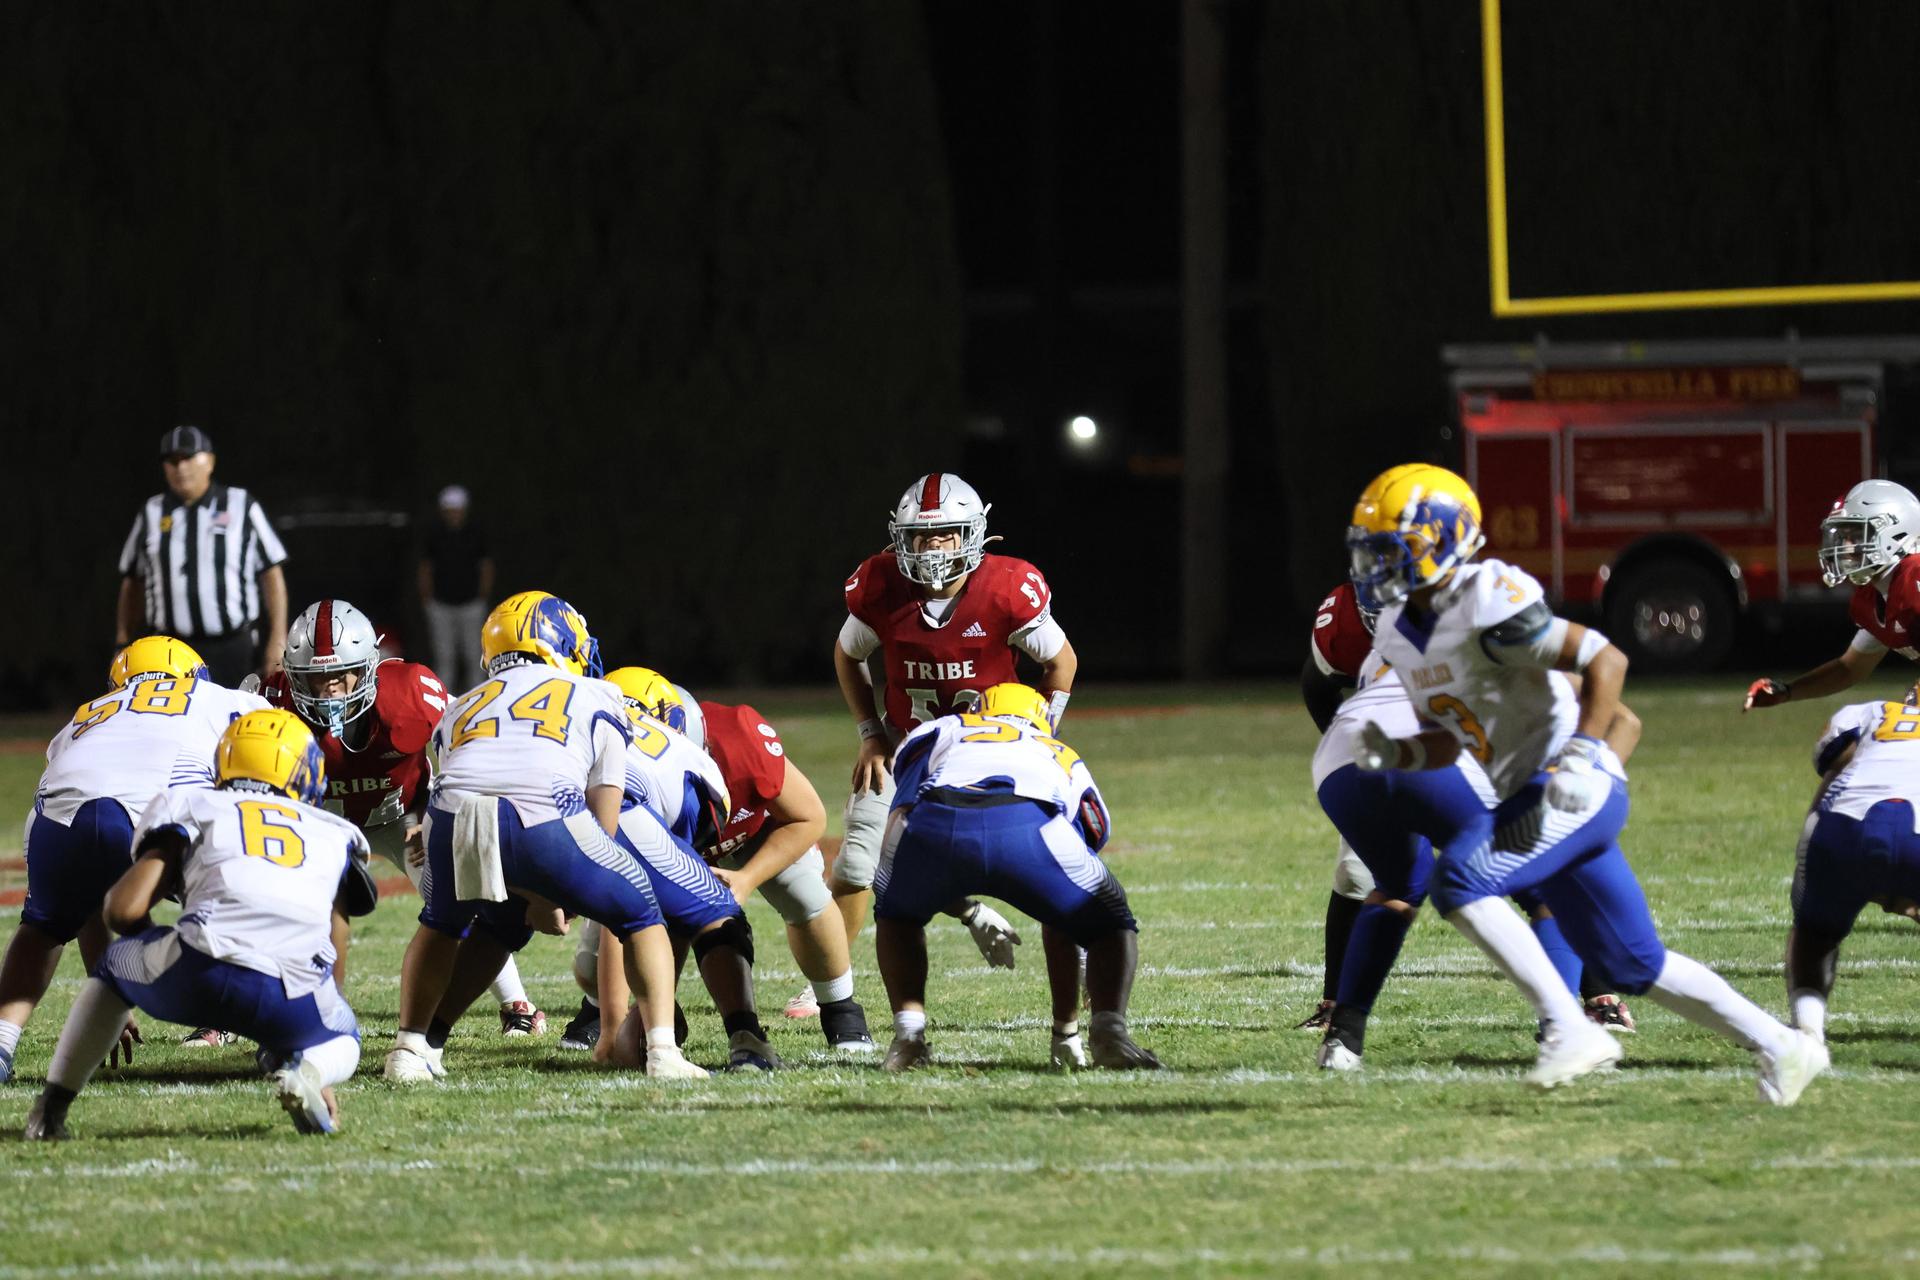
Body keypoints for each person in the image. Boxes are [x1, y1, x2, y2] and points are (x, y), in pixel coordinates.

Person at [1348, 463, 1826, 1102]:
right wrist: (1399, 753)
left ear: (1448, 536)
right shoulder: (1398, 633)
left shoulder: (1487, 597)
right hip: (1527, 787)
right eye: (1372, 551)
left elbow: (1606, 658)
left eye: (1394, 550)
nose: (1378, 566)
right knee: (1635, 964)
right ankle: (1784, 1047)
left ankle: (1571, 1029)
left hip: (1571, 780)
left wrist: (1580, 753)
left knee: (1460, 878)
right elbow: (1459, 729)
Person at [1300, 579, 1637, 1070]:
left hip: (1340, 764)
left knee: (1394, 886)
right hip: (1421, 755)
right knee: (1545, 883)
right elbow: (1621, 716)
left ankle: (1342, 1038)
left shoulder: (1398, 641)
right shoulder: (1486, 629)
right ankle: (1563, 1028)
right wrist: (1585, 778)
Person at [382, 591, 702, 1083]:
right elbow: (604, 819)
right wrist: (559, 892)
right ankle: (662, 1050)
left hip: (450, 818)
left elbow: (453, 780)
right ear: (558, 641)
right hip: (545, 813)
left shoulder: (463, 701)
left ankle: (412, 1048)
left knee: (447, 924)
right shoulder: (599, 695)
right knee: (640, 908)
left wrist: (530, 894)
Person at [24, 708, 377, 1140]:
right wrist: (300, 1034)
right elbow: (333, 959)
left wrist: (153, 944)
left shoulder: (192, 802)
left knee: (114, 964)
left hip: (199, 971)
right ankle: (309, 1069)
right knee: (344, 1035)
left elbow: (122, 910)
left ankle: (51, 1110)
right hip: (294, 996)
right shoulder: (334, 832)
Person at [264, 599, 545, 1036]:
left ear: (369, 668)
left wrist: (433, 813)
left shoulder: (409, 693)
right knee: (261, 903)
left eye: (340, 677)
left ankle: (517, 1004)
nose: (329, 692)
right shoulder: (274, 702)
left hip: (401, 819)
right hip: (320, 828)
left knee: (457, 904)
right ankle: (227, 1018)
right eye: (316, 680)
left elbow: (468, 734)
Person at [831, 473, 1060, 1003]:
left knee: (1033, 851)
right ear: (900, 539)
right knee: (858, 863)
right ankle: (831, 988)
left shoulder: (1005, 588)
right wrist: (870, 734)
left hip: (988, 749)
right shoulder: (881, 586)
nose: (933, 549)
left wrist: (1038, 733)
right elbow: (848, 654)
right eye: (921, 537)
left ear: (973, 535)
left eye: (947, 535)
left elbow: (1060, 663)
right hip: (904, 746)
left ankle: (1089, 955)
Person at [561, 669, 873, 1055]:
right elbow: (620, 916)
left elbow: (808, 816)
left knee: (803, 890)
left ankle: (840, 1007)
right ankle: (603, 1010)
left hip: (746, 830)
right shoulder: (608, 777)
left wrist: (746, 878)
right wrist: (616, 1022)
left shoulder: (739, 740)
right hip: (664, 840)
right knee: (592, 964)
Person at [0, 637, 267, 1082]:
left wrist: (109, 996)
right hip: (154, 810)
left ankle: (3, 1041)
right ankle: (249, 1022)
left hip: (58, 818)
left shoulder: (84, 715)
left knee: (43, 927)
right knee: (239, 890)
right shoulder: (216, 698)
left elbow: (92, 880)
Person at [874, 683, 1157, 1072]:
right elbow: (1094, 831)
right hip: (1028, 826)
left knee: (896, 914)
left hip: (937, 822)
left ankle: (907, 1038)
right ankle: (1107, 1033)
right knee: (1110, 921)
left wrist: (912, 886)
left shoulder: (936, 729)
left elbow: (904, 805)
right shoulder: (1057, 749)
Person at [586, 666, 773, 1073]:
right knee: (714, 908)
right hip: (622, 816)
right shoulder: (681, 751)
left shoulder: (585, 715)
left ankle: (420, 1040)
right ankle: (742, 1034)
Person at [1783, 686, 1920, 1043]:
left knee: (1814, 935)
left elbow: (1835, 761)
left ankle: (1808, 1033)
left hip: (1843, 825)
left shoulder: (1870, 712)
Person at [117, 426, 289, 686]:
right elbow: (132, 581)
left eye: (188, 457)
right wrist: (122, 640)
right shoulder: (152, 512)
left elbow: (271, 573)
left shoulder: (241, 505)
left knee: (233, 722)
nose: (180, 467)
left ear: (209, 460)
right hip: (169, 650)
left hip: (233, 647)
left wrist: (278, 639)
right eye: (172, 461)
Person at [1746, 479, 1920, 713]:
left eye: (1856, 535)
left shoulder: (1913, 577)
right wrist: (1787, 691)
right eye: (1843, 537)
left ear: (1896, 532)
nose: (1846, 547)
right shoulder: (1876, 596)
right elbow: (1849, 668)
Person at [417, 485, 494, 695]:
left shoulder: (475, 533)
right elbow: (426, 567)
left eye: (457, 509)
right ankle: (442, 704)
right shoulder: (435, 535)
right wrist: (428, 599)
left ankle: (479, 701)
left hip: (470, 604)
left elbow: (485, 566)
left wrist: (481, 596)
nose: (454, 514)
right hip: (441, 605)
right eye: (450, 510)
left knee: (475, 656)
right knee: (444, 658)